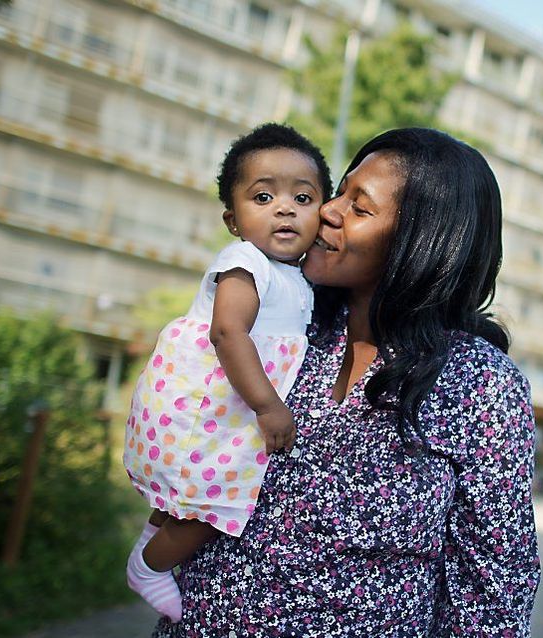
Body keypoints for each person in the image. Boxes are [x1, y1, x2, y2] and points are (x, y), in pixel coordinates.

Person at [154, 128, 540, 636]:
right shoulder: (281, 331)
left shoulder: (479, 383)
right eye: (339, 192)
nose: (329, 210)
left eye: (359, 208)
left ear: (419, 243)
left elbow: (494, 584)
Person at [123, 123, 333, 621]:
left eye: (302, 198)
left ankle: (155, 539)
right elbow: (229, 334)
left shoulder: (296, 275)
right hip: (207, 408)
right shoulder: (244, 262)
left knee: (191, 498)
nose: (285, 208)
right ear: (233, 220)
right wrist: (268, 406)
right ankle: (148, 567)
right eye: (262, 196)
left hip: (227, 413)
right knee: (216, 509)